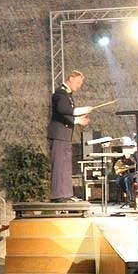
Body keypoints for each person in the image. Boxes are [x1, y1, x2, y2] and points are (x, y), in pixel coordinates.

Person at [47, 70, 90, 202]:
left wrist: (77, 120)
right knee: (60, 165)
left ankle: (66, 193)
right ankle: (58, 195)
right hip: (59, 134)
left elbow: (67, 114)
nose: (78, 86)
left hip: (65, 135)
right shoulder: (60, 93)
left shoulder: (68, 95)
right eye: (77, 82)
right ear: (70, 79)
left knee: (66, 166)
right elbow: (62, 110)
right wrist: (81, 111)